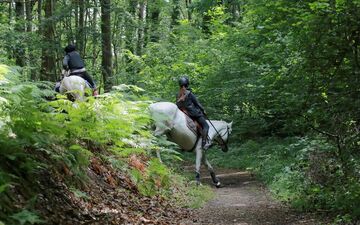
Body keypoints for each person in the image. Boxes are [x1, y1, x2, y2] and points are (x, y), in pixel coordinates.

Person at [176, 77, 211, 150]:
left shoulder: (178, 94)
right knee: (206, 126)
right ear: (187, 84)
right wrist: (203, 110)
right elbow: (197, 103)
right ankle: (204, 143)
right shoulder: (189, 93)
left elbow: (178, 104)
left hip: (183, 112)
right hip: (193, 113)